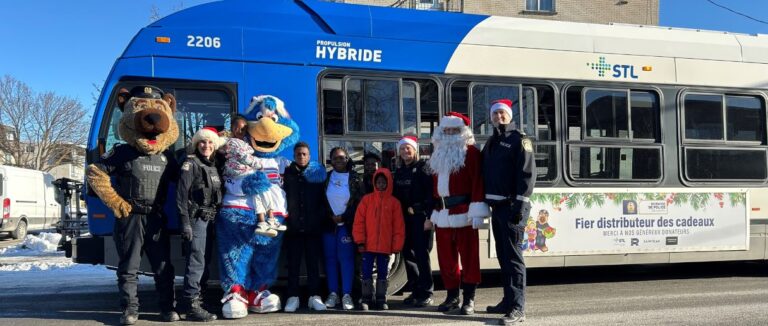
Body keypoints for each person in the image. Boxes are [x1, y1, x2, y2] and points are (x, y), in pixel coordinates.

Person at [86, 86, 180, 325]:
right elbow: (95, 172)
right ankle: (130, 310)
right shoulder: (122, 152)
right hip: (131, 217)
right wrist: (115, 202)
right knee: (129, 268)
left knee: (163, 267)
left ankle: (167, 308)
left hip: (156, 218)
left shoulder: (167, 156)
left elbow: (183, 181)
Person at [428, 112, 490, 316]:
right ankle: (452, 296)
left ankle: (469, 299)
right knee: (446, 260)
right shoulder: (437, 153)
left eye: (454, 130)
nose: (450, 133)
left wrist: (477, 211)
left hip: (464, 213)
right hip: (442, 214)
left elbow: (477, 183)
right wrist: (432, 214)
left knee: (470, 258)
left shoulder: (471, 153)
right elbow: (433, 187)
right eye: (446, 130)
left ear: (462, 132)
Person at [481, 99, 536, 325]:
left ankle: (517, 308)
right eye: (495, 114)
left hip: (512, 208)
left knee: (514, 259)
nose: (499, 117)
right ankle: (507, 300)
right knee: (503, 257)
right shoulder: (492, 142)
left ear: (510, 116)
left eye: (502, 114)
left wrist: (519, 207)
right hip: (497, 209)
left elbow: (526, 176)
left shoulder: (519, 141)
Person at [176, 127, 224, 322]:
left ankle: (199, 300)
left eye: (211, 142)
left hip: (209, 219)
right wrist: (185, 224)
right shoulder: (190, 164)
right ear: (197, 144)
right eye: (203, 142)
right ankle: (190, 304)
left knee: (204, 261)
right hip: (195, 220)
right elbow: (181, 196)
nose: (207, 146)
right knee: (196, 262)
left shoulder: (212, 166)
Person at [282, 142, 328, 312]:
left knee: (313, 265)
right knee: (293, 265)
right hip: (293, 228)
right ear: (294, 156)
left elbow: (324, 199)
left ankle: (314, 297)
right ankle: (292, 297)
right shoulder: (288, 173)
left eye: (304, 154)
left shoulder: (317, 174)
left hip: (313, 228)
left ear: (309, 156)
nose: (301, 157)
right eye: (298, 154)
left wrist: (318, 218)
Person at [353, 168, 405, 311]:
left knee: (383, 272)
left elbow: (398, 226)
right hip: (368, 246)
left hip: (385, 246)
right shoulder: (366, 200)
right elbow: (359, 222)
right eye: (379, 182)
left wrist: (396, 246)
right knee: (366, 272)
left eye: (384, 182)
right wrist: (360, 241)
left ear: (388, 184)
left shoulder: (394, 203)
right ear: (374, 183)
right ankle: (366, 299)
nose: (381, 185)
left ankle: (382, 299)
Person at [392, 135, 435, 307]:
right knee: (408, 255)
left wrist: (428, 217)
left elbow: (431, 194)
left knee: (422, 255)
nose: (405, 151)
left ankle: (427, 292)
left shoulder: (424, 168)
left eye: (408, 148)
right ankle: (416, 290)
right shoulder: (400, 171)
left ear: (415, 149)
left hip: (420, 218)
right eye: (402, 148)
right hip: (405, 220)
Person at [323, 147, 363, 310]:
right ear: (330, 160)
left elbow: (360, 202)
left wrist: (344, 217)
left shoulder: (355, 178)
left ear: (347, 159)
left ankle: (347, 295)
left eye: (342, 158)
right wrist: (330, 216)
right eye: (335, 158)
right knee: (330, 260)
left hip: (347, 225)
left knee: (346, 260)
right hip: (329, 226)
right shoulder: (326, 177)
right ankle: (333, 294)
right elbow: (320, 201)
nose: (339, 161)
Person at [222, 138, 285, 237]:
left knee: (258, 194)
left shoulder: (229, 154)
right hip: (244, 176)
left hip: (240, 179)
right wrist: (259, 165)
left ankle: (262, 223)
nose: (240, 131)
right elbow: (244, 156)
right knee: (264, 187)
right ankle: (270, 219)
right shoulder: (233, 143)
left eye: (243, 129)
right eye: (237, 128)